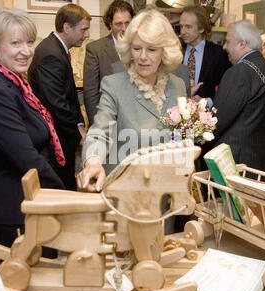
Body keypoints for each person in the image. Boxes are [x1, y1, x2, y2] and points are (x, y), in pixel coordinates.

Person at [76, 8, 186, 233]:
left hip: (164, 198)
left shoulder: (177, 85)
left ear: (165, 51)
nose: (142, 57)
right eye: (137, 48)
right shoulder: (114, 85)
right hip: (124, 197)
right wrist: (93, 161)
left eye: (151, 49)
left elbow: (181, 135)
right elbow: (100, 129)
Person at [0, 8, 65, 249]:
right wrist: (66, 193)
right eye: (15, 43)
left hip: (30, 203)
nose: (26, 51)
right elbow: (26, 157)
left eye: (30, 42)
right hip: (15, 209)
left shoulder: (14, 80)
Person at [28, 4, 90, 191]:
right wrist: (76, 134)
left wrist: (79, 124)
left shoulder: (56, 49)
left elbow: (66, 95)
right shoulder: (51, 54)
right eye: (83, 29)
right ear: (66, 27)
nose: (86, 35)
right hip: (55, 140)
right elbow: (57, 103)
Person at [211, 19, 265, 172]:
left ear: (242, 44)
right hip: (258, 157)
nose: (224, 47)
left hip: (235, 160)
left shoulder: (240, 71)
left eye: (228, 42)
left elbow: (218, 119)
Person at [83, 0, 134, 126]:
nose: (124, 29)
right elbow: (91, 92)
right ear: (110, 24)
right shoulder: (96, 49)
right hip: (110, 118)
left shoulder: (141, 47)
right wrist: (97, 125)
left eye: (128, 23)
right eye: (118, 24)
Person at [179, 5, 230, 104]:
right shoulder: (175, 53)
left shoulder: (219, 54)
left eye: (188, 27)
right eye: (181, 26)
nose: (182, 32)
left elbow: (228, 91)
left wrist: (208, 101)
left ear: (201, 28)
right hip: (175, 115)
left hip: (208, 116)